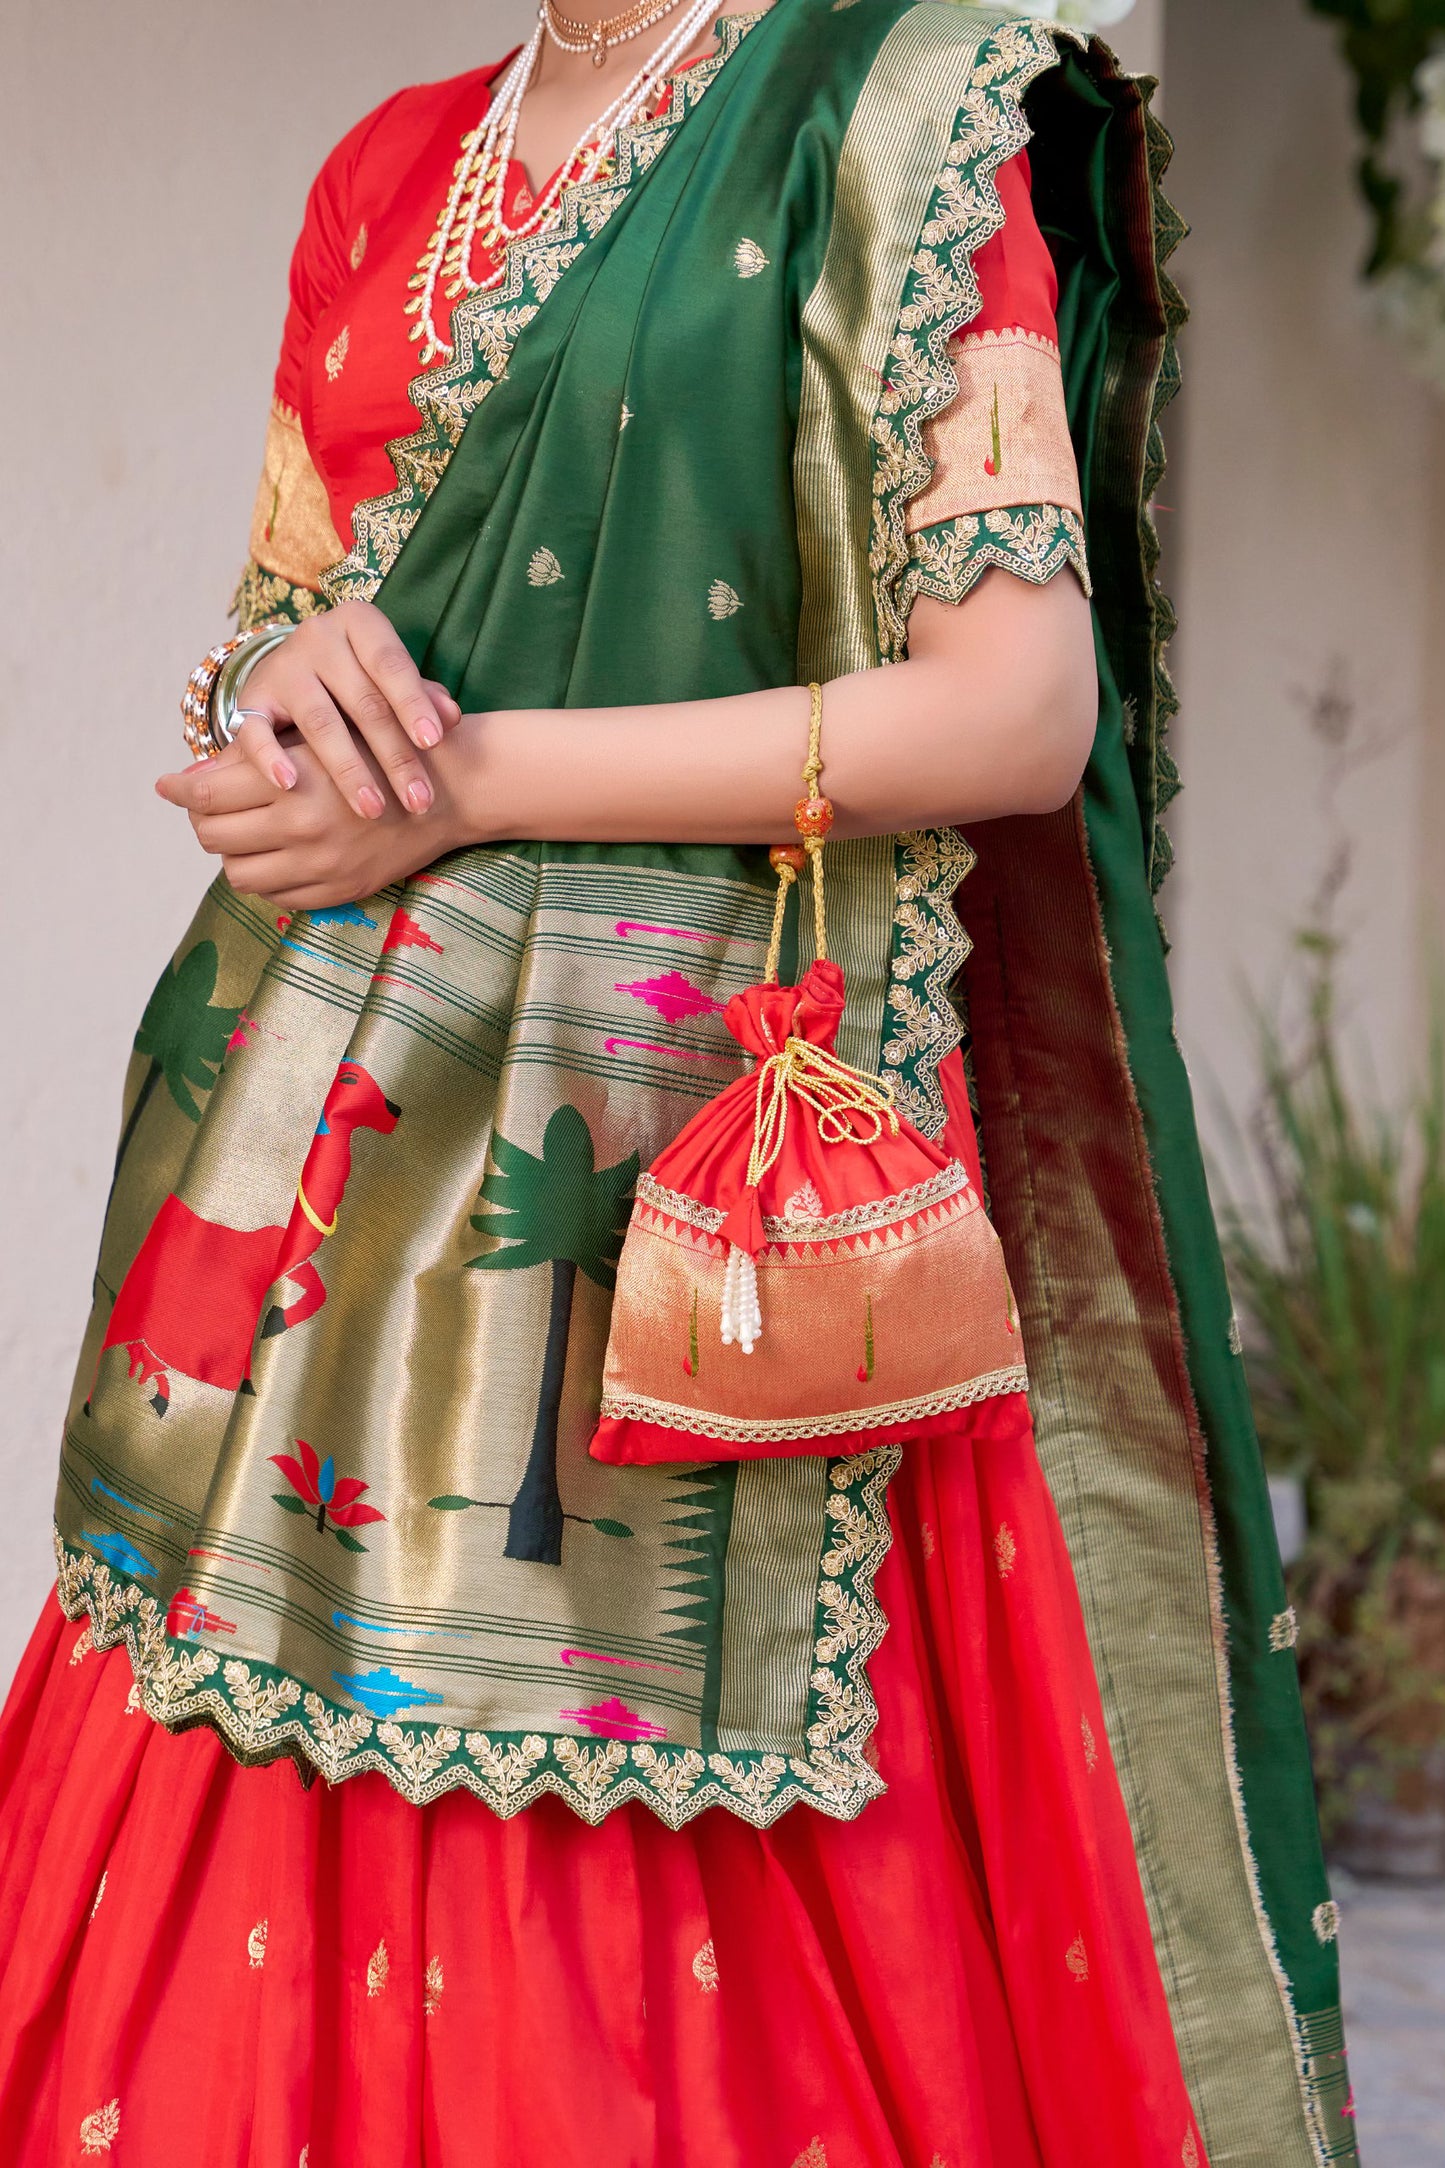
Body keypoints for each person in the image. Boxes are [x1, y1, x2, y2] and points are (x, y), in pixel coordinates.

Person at [0, 4, 1354, 2164]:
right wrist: (282, 683)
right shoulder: (387, 170)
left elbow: (1018, 708)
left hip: (707, 1219)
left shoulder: (892, 107)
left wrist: (468, 787)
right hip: (318, 1263)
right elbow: (284, 623)